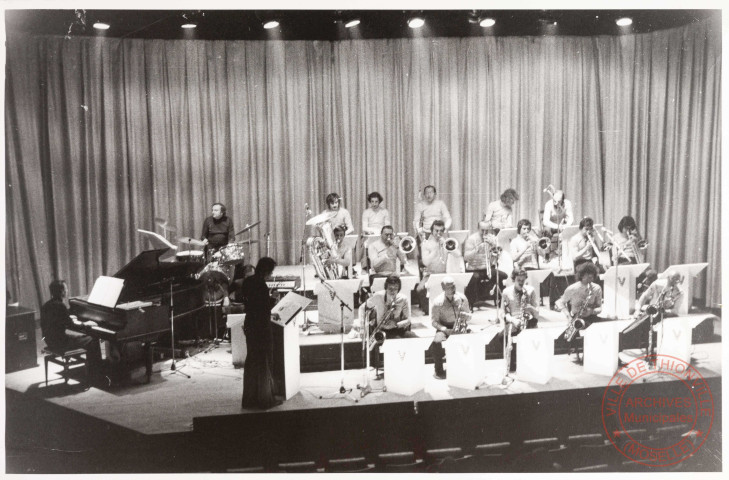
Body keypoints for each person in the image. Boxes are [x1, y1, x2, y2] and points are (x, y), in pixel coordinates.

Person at [40, 280, 103, 382]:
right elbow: (72, 325)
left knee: (81, 337)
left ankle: (89, 369)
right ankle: (95, 374)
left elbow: (60, 320)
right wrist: (86, 324)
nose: (67, 290)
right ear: (62, 292)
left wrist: (69, 317)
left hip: (50, 341)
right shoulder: (60, 306)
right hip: (61, 343)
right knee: (92, 339)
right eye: (66, 289)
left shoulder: (47, 305)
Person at [239, 257, 281, 409]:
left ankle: (250, 399)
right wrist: (274, 299)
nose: (271, 274)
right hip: (261, 326)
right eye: (271, 271)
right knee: (264, 361)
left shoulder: (248, 281)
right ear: (267, 271)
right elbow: (263, 307)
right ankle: (265, 400)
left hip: (250, 323)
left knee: (252, 361)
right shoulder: (261, 285)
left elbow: (250, 303)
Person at [358, 275, 414, 373]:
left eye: (396, 289)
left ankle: (409, 367)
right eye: (390, 289)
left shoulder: (403, 299)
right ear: (385, 287)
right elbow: (362, 308)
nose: (393, 291)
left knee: (415, 339)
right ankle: (397, 369)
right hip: (381, 330)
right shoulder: (378, 296)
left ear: (399, 289)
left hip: (397, 329)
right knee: (396, 341)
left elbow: (408, 320)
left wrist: (396, 324)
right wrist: (362, 326)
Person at [427, 277, 471, 379]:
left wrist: (467, 316)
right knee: (436, 342)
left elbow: (469, 316)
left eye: (454, 286)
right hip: (445, 327)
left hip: (460, 326)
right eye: (449, 287)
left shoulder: (462, 298)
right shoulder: (437, 302)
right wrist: (444, 329)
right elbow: (433, 322)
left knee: (473, 339)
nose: (453, 289)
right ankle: (439, 370)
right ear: (443, 288)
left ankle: (467, 367)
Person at [415, 220, 463, 314]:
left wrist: (446, 244)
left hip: (444, 274)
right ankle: (429, 310)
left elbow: (458, 254)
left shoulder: (445, 242)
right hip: (431, 274)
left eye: (441, 231)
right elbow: (425, 262)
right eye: (436, 230)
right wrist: (436, 248)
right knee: (419, 289)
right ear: (432, 231)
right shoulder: (425, 244)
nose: (438, 233)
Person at [499, 268, 540, 371]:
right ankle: (512, 362)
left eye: (523, 280)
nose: (521, 283)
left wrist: (530, 308)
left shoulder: (530, 290)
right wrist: (513, 320)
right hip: (514, 321)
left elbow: (537, 313)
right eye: (519, 280)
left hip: (528, 320)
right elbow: (503, 313)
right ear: (513, 279)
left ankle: (529, 362)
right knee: (501, 336)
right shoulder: (506, 292)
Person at [463, 221, 507, 308]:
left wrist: (494, 245)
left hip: (488, 268)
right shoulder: (471, 239)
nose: (484, 233)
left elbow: (497, 255)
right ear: (478, 229)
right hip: (474, 268)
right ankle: (470, 303)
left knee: (502, 275)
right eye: (482, 230)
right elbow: (466, 257)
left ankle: (502, 302)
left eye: (487, 230)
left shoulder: (493, 238)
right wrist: (477, 249)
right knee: (474, 278)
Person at [556, 262, 604, 338]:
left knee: (609, 324)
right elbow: (560, 302)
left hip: (592, 317)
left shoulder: (597, 288)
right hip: (577, 318)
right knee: (565, 338)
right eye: (588, 276)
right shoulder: (572, 289)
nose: (590, 279)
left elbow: (600, 308)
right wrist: (568, 317)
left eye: (592, 277)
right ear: (581, 275)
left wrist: (591, 311)